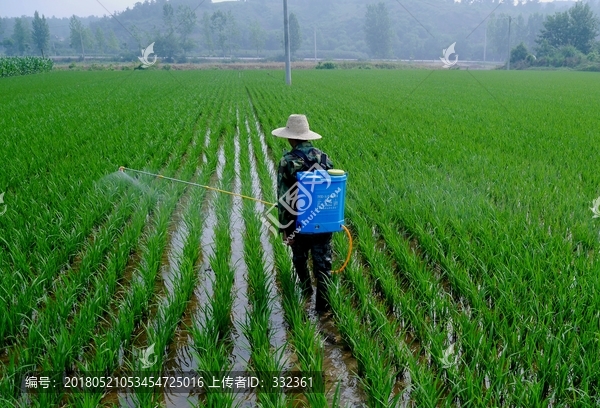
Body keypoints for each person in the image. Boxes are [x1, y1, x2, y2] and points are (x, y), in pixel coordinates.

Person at [272, 114, 334, 314]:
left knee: (299, 259)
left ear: (290, 138)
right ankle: (322, 309)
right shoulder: (324, 158)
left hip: (299, 223)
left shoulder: (288, 161)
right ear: (307, 137)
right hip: (323, 220)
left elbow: (284, 199)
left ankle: (306, 291)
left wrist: (285, 229)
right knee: (323, 265)